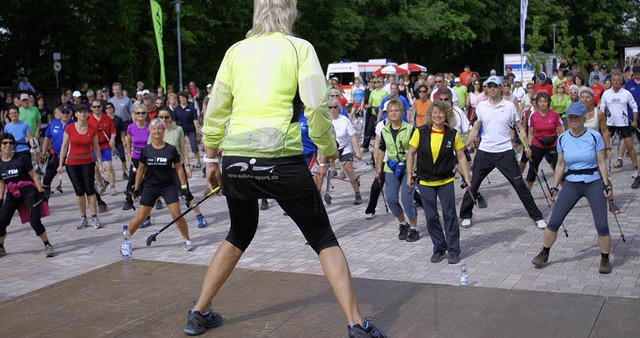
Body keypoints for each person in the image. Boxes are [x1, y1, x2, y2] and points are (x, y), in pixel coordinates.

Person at [189, 1, 387, 336]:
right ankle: (356, 324)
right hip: (279, 158)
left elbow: (217, 107)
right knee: (323, 237)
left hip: (236, 158)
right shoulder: (299, 48)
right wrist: (327, 153)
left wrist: (210, 158)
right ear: (290, 12)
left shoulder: (236, 50)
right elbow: (316, 106)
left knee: (238, 233)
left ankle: (198, 312)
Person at [531, 102, 613, 274]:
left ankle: (604, 259)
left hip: (593, 181)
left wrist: (606, 184)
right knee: (554, 221)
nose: (574, 120)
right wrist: (554, 187)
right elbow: (560, 165)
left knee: (602, 225)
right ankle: (544, 252)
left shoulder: (594, 136)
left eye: (577, 117)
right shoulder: (562, 138)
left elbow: (601, 162)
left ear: (584, 117)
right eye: (571, 117)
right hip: (572, 182)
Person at [459, 76, 547, 229]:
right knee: (473, 184)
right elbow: (475, 129)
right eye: (489, 86)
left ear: (501, 88)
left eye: (495, 86)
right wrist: (465, 145)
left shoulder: (509, 106)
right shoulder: (481, 106)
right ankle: (466, 215)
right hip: (485, 151)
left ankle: (537, 216)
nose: (492, 89)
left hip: (505, 151)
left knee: (519, 185)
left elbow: (520, 128)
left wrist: (526, 147)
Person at [406, 100, 471, 264]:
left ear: (447, 115)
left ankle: (454, 250)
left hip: (446, 180)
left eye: (441, 113)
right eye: (435, 112)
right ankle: (439, 247)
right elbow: (411, 153)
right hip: (425, 181)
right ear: (430, 115)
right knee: (431, 216)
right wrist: (409, 174)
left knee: (449, 215)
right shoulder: (420, 132)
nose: (438, 115)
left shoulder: (452, 134)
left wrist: (468, 177)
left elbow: (461, 156)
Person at [127, 118, 195, 250]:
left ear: (164, 130)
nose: (157, 131)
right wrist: (136, 188)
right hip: (150, 187)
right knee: (140, 217)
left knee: (177, 215)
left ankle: (187, 239)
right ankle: (126, 239)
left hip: (168, 186)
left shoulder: (170, 149)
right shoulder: (146, 150)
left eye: (159, 128)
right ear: (150, 131)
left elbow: (179, 168)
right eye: (154, 128)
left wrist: (184, 186)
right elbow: (141, 170)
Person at [0, 133, 54, 258]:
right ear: (0, 145)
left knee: (34, 220)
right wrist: (0, 199)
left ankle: (47, 244)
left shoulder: (21, 158)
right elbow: (1, 182)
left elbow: (34, 175)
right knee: (2, 222)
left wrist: (41, 193)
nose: (8, 145)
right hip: (12, 193)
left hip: (28, 191)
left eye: (10, 143)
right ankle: (1, 247)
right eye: (5, 143)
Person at [156, 107, 208, 228]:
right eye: (161, 117)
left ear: (171, 117)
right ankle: (146, 218)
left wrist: (188, 165)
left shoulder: (177, 130)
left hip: (177, 168)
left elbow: (184, 149)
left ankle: (200, 216)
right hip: (161, 169)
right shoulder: (155, 131)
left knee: (186, 193)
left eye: (166, 117)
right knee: (152, 194)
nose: (164, 119)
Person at [375, 99, 419, 242]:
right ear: (386, 113)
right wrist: (378, 168)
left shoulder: (410, 129)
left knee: (407, 200)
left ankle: (414, 228)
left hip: (407, 167)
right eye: (390, 111)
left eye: (396, 110)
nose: (393, 113)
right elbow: (382, 149)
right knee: (391, 199)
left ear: (401, 112)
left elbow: (417, 150)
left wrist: (415, 169)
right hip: (391, 167)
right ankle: (402, 223)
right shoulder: (385, 130)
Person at [57, 103, 105, 229]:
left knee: (90, 189)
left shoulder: (92, 129)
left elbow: (96, 148)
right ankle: (83, 217)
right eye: (80, 112)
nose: (82, 114)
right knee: (79, 190)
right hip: (72, 163)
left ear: (88, 114)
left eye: (85, 112)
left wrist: (100, 164)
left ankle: (94, 216)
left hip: (87, 162)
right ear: (76, 114)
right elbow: (64, 146)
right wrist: (60, 164)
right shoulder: (70, 128)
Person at [316, 98, 363, 204]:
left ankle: (357, 193)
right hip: (330, 149)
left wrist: (358, 152)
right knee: (321, 172)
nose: (333, 109)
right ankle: (317, 196)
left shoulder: (344, 120)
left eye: (335, 107)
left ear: (339, 108)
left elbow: (353, 137)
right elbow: (320, 141)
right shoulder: (325, 121)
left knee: (349, 169)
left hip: (344, 147)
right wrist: (320, 156)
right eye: (330, 107)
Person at [600, 74, 640, 185]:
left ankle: (635, 168)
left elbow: (634, 106)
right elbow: (602, 108)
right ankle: (603, 169)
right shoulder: (606, 94)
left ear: (621, 82)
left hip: (623, 123)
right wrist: (601, 123)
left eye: (618, 80)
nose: (616, 82)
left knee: (630, 146)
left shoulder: (626, 93)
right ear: (611, 81)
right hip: (610, 123)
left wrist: (635, 121)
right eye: (614, 80)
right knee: (604, 147)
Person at [524, 92, 564, 190]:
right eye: (540, 101)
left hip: (552, 143)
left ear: (548, 103)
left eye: (545, 102)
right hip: (538, 144)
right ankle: (527, 194)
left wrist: (563, 146)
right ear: (537, 103)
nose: (542, 104)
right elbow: (531, 133)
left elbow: (561, 132)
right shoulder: (533, 116)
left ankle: (566, 191)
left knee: (557, 167)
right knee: (532, 169)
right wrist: (529, 147)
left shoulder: (554, 115)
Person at [41, 104, 74, 195]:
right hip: (56, 155)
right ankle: (44, 204)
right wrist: (43, 152)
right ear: (59, 113)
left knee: (77, 180)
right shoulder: (53, 123)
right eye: (63, 112)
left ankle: (98, 200)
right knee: (47, 179)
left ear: (71, 113)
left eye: (67, 112)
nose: (65, 114)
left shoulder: (74, 124)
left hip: (70, 156)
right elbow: (47, 138)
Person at [122, 105, 150, 211]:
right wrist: (129, 153)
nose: (140, 115)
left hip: (147, 156)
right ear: (134, 114)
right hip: (136, 156)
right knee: (132, 178)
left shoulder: (149, 126)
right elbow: (128, 141)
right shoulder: (131, 127)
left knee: (148, 178)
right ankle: (129, 199)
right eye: (138, 113)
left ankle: (155, 199)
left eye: (143, 113)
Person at [88, 99, 117, 195]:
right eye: (94, 107)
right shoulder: (88, 119)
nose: (97, 109)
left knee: (108, 165)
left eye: (99, 106)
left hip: (105, 144)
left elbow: (113, 131)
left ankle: (112, 186)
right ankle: (100, 184)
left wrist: (112, 140)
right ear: (92, 108)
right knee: (96, 167)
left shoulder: (107, 118)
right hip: (93, 146)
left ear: (101, 107)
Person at [172, 91, 202, 168]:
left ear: (186, 98)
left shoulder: (191, 107)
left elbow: (195, 120)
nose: (182, 99)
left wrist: (197, 130)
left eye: (184, 98)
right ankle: (185, 162)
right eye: (180, 98)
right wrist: (174, 132)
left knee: (194, 145)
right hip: (180, 130)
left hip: (191, 129)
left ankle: (198, 161)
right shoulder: (176, 109)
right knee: (180, 146)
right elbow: (174, 121)